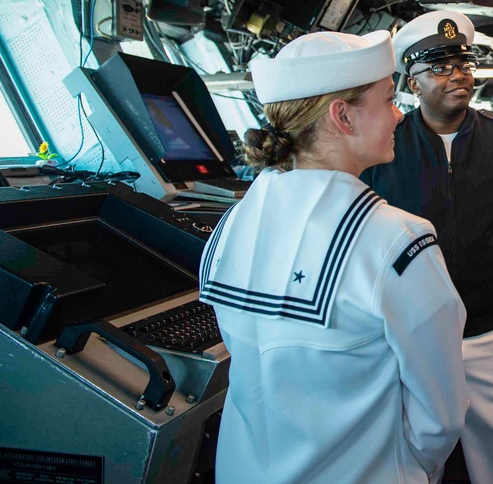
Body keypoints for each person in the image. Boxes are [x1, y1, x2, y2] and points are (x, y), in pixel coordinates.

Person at [199, 30, 468, 484]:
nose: (399, 115)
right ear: (342, 116)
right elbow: (440, 413)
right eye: (387, 100)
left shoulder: (229, 226)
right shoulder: (398, 242)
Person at [361, 10, 493, 484]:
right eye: (439, 67)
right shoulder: (384, 145)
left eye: (463, 63)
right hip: (405, 333)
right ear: (412, 82)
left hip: (485, 328)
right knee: (411, 458)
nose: (457, 76)